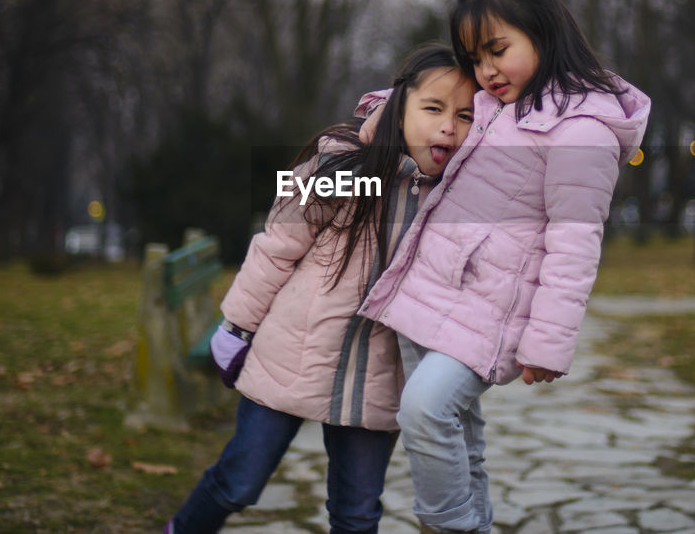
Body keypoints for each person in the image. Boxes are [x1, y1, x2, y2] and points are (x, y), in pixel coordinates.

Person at [354, 0, 651, 533]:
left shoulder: (582, 128)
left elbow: (575, 242)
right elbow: (425, 97)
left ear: (542, 31)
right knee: (460, 439)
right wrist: (381, 115)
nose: (486, 71)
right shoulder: (498, 101)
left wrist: (547, 343)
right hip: (430, 288)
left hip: (492, 311)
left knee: (424, 410)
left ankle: (452, 528)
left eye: (497, 50)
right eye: (475, 59)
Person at [168, 44, 478, 534]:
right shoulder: (346, 166)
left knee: (356, 514)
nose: (448, 126)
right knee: (238, 483)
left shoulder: (454, 196)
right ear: (401, 105)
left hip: (377, 378)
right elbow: (277, 246)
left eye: (465, 116)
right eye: (434, 108)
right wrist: (237, 326)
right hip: (290, 354)